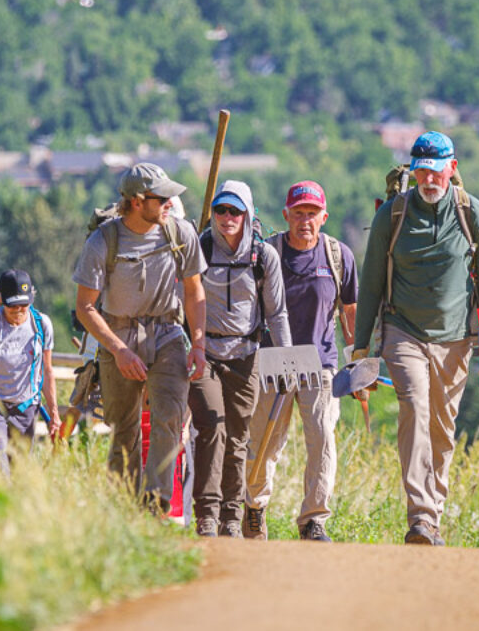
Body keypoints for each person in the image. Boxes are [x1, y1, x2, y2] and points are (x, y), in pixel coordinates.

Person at [352, 131, 479, 546]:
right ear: (413, 170)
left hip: (456, 338)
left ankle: (433, 515)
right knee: (415, 409)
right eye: (422, 171)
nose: (429, 180)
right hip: (403, 331)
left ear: (452, 170)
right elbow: (370, 283)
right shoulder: (393, 215)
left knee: (442, 427)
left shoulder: (472, 214)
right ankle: (420, 516)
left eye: (437, 172)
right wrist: (361, 348)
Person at [72, 162, 207, 513]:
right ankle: (124, 508)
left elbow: (194, 292)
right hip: (118, 334)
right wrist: (118, 351)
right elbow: (85, 307)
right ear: (135, 201)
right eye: (160, 197)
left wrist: (199, 343)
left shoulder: (181, 234)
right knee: (124, 430)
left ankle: (156, 500)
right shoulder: (103, 241)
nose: (169, 203)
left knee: (170, 416)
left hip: (167, 333)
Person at [244, 180, 358, 542]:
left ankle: (313, 520)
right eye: (298, 214)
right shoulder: (268, 253)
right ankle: (254, 506)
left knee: (322, 440)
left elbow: (350, 311)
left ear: (324, 217)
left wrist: (357, 363)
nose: (304, 221)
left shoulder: (339, 256)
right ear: (286, 216)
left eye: (311, 214)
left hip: (320, 363)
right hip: (272, 361)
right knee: (263, 441)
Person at [189, 181, 291, 538]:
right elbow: (184, 297)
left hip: (246, 357)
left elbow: (276, 314)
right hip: (204, 354)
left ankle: (231, 517)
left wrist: (285, 360)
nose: (227, 218)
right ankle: (206, 513)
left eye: (235, 211)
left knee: (237, 438)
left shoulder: (264, 257)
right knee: (211, 429)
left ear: (248, 214)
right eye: (221, 210)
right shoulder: (200, 249)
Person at [0, 269, 59, 475]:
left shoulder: (42, 325)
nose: (19, 310)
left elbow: (46, 370)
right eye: (13, 306)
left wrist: (54, 413)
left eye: (24, 305)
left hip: (26, 406)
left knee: (20, 471)